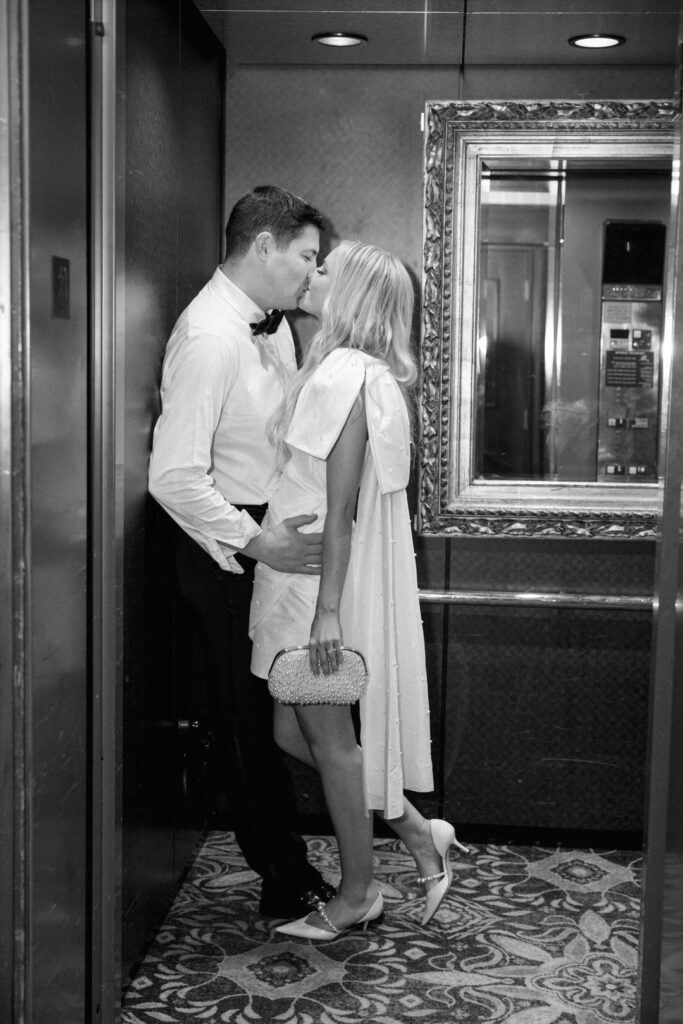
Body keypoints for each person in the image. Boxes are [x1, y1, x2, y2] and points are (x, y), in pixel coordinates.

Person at [249, 240, 467, 940]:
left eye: (325, 271)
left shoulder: (344, 374)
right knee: (291, 729)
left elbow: (340, 507)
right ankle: (412, 828)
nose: (312, 277)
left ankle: (357, 893)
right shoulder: (362, 372)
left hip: (311, 586)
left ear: (351, 297)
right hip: (298, 575)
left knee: (328, 742)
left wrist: (328, 613)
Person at [148, 185, 336, 918]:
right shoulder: (209, 336)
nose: (310, 273)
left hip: (267, 532)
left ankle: (289, 862)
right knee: (244, 722)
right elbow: (172, 476)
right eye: (306, 256)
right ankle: (282, 879)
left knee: (270, 712)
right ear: (264, 246)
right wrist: (261, 544)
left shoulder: (273, 327)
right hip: (224, 550)